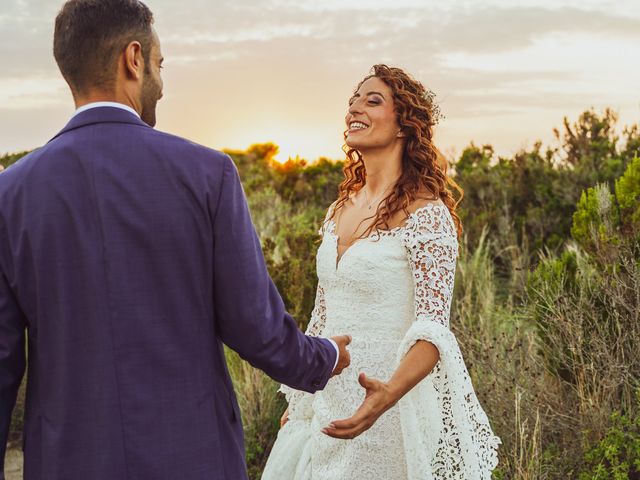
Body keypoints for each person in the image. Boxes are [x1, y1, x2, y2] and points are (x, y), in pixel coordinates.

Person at [0, 1, 352, 479]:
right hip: (193, 457)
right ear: (134, 59)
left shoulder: (10, 192)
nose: (161, 84)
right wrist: (322, 357)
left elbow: (2, 361)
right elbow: (254, 325)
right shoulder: (208, 174)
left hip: (67, 462)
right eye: (160, 65)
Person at [262, 65, 501, 479]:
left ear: (404, 125)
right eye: (354, 99)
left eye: (372, 100)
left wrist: (387, 394)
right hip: (327, 400)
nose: (355, 107)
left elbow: (432, 332)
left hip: (390, 408)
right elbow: (322, 316)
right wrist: (299, 403)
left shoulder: (428, 216)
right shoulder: (339, 210)